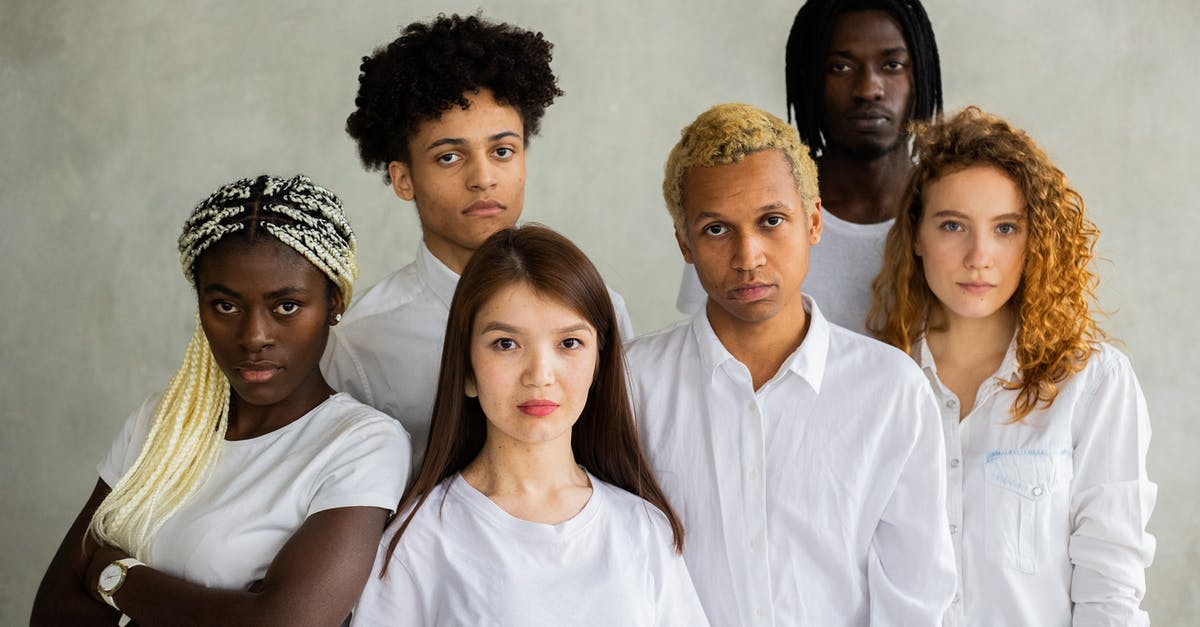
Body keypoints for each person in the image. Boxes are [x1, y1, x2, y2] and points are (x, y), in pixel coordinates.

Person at [626, 103, 955, 626]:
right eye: (715, 230)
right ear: (684, 243)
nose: (748, 255)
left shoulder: (892, 390)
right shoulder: (631, 384)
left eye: (771, 220)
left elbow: (915, 597)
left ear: (815, 221)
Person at [31, 175, 411, 627]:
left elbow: (283, 624)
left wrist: (114, 576)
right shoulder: (161, 423)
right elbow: (53, 611)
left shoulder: (361, 444)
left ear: (333, 303)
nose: (255, 337)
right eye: (226, 306)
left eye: (286, 306)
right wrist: (234, 609)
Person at [868, 107, 1157, 626]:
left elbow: (1110, 587)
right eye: (953, 225)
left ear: (1035, 240)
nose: (979, 256)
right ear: (915, 235)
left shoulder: (1092, 385)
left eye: (1005, 228)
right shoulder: (873, 382)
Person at [352, 225, 708, 627]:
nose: (540, 375)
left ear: (599, 365)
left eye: (569, 343)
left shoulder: (643, 529)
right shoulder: (418, 540)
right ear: (467, 370)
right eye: (506, 344)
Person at [324, 14, 634, 468]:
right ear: (403, 178)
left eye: (502, 151)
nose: (483, 178)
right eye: (449, 157)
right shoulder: (360, 340)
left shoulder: (595, 309)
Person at [675, 0, 941, 336]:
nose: (869, 89)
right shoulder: (750, 207)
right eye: (840, 68)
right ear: (809, 80)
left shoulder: (958, 214)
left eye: (892, 64)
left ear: (922, 74)